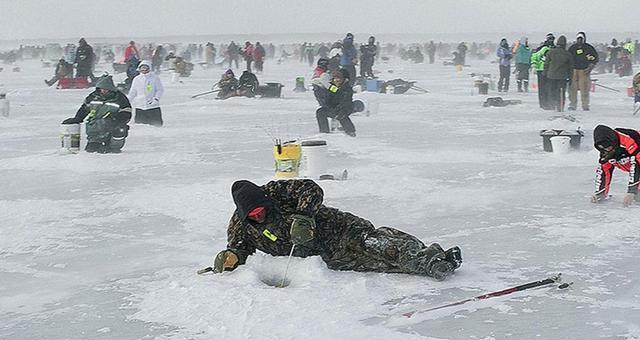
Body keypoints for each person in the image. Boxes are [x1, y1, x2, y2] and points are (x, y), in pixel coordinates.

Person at [211, 179, 463, 281]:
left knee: (380, 246)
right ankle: (434, 259)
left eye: (261, 210)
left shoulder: (276, 192)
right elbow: (237, 247)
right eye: (253, 215)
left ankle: (431, 261)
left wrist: (304, 217)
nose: (259, 216)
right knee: (378, 264)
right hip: (328, 255)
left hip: (341, 230)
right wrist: (231, 256)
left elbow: (311, 189)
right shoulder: (240, 223)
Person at [61, 76, 132, 153]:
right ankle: (96, 144)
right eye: (102, 89)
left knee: (113, 146)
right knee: (91, 150)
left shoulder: (119, 97)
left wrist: (118, 120)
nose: (103, 91)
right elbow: (84, 109)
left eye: (106, 89)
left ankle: (113, 146)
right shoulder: (93, 96)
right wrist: (77, 118)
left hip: (112, 127)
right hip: (95, 128)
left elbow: (127, 111)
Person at [591, 125, 640, 207]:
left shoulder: (628, 140)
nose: (607, 150)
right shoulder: (605, 151)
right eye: (603, 148)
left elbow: (637, 163)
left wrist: (631, 191)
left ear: (612, 140)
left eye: (608, 147)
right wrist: (600, 194)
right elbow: (604, 170)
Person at [316, 68, 357, 137]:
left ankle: (350, 131)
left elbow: (345, 101)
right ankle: (324, 131)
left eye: (339, 79)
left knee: (341, 115)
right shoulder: (333, 88)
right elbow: (328, 99)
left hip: (345, 108)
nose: (337, 80)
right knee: (320, 112)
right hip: (334, 107)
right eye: (335, 78)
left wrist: (337, 109)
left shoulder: (347, 88)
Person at [567, 32, 599, 111]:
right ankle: (572, 104)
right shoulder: (572, 48)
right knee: (572, 90)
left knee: (584, 89)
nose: (580, 40)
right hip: (574, 71)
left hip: (584, 71)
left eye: (581, 38)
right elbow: (567, 59)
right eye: (578, 38)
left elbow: (595, 58)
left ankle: (585, 105)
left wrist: (590, 67)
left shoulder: (589, 48)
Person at [128, 60, 164, 126]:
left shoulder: (154, 78)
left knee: (156, 125)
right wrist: (127, 101)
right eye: (142, 68)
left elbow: (160, 90)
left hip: (153, 107)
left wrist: (156, 99)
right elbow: (133, 92)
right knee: (140, 126)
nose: (143, 70)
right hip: (140, 106)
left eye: (145, 68)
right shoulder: (137, 79)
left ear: (149, 68)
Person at [543, 35, 573, 112]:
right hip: (562, 76)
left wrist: (545, 74)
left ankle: (552, 105)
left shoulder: (551, 52)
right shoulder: (568, 54)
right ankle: (560, 107)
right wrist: (570, 78)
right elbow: (570, 68)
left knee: (552, 91)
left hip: (551, 75)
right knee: (561, 92)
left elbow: (546, 64)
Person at [531, 33, 555, 109]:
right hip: (541, 70)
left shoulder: (554, 48)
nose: (551, 40)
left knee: (551, 88)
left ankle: (550, 103)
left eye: (552, 39)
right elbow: (534, 57)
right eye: (550, 39)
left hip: (551, 71)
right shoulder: (541, 48)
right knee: (542, 88)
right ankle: (543, 104)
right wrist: (534, 66)